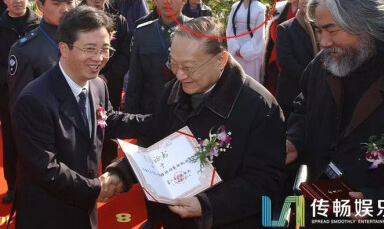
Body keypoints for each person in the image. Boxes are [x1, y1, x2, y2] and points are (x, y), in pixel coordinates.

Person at [104, 17, 286, 228]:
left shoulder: (259, 107)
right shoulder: (172, 91)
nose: (180, 75)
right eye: (173, 63)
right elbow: (154, 146)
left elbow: (266, 180)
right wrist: (121, 173)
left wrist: (207, 205)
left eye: (189, 67)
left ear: (221, 60)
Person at [286, 0, 384, 224]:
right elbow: (305, 110)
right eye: (319, 31)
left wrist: (379, 201)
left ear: (366, 23)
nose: (323, 42)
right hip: (323, 209)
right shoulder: (321, 66)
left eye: (332, 30)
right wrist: (294, 141)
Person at [11, 6, 140, 229]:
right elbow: (46, 168)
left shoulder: (98, 84)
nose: (99, 58)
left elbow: (108, 120)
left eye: (105, 49)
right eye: (90, 49)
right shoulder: (35, 99)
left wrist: (155, 122)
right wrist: (97, 187)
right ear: (64, 48)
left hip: (84, 211)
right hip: (48, 214)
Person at [80, 0, 131, 170]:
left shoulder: (118, 20)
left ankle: (109, 164)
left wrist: (106, 77)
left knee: (108, 122)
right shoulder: (76, 19)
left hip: (110, 83)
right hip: (81, 81)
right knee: (83, 122)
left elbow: (125, 55)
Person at [124, 0, 193, 114]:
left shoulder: (197, 31)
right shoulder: (142, 33)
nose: (167, 1)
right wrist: (131, 119)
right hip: (150, 113)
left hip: (187, 113)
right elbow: (135, 81)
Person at [8, 0, 77, 111]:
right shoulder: (25, 50)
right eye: (57, 4)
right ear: (40, 5)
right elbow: (21, 108)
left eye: (70, 2)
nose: (65, 9)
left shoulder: (82, 39)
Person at [0, 0, 41, 203]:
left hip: (37, 92)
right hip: (7, 94)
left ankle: (36, 185)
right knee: (10, 139)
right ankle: (13, 186)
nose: (18, 1)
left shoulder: (39, 25)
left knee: (38, 139)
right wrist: (10, 78)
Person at [276, 0, 318, 120]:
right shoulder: (285, 28)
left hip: (319, 92)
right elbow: (285, 61)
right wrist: (311, 77)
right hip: (293, 93)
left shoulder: (325, 28)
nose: (306, 0)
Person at [264, 0, 303, 95]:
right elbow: (273, 27)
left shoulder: (303, 10)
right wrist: (282, 40)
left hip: (297, 50)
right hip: (279, 49)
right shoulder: (280, 8)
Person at [226, 0, 266, 83]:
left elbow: (259, 33)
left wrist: (245, 50)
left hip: (252, 48)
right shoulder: (235, 7)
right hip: (236, 47)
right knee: (235, 80)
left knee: (250, 81)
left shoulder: (260, 8)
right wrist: (235, 47)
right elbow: (229, 29)